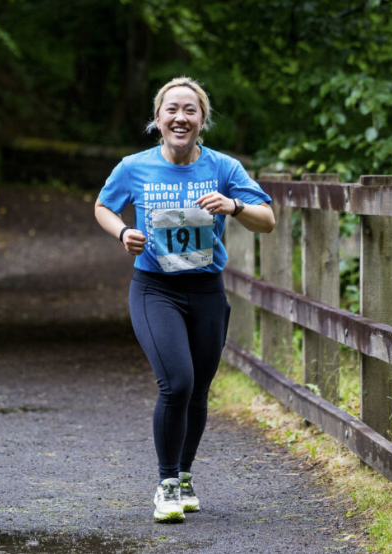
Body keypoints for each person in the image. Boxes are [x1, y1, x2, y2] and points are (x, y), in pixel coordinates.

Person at [94, 76, 276, 523]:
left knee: (198, 390)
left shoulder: (224, 168)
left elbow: (267, 219)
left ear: (202, 120)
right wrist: (123, 231)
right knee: (176, 383)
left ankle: (186, 474)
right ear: (157, 119)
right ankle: (166, 483)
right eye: (171, 110)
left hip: (207, 291)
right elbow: (103, 206)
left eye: (190, 110)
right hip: (155, 289)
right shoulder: (133, 167)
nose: (180, 117)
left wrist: (233, 206)